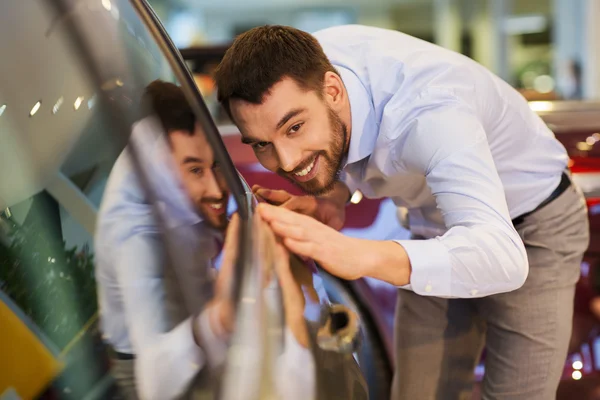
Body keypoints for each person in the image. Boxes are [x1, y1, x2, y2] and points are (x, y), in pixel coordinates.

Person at [213, 25, 590, 399]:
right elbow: (354, 137)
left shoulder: (430, 112)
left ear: (332, 89)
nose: (287, 161)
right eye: (262, 144)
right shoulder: (307, 62)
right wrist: (335, 195)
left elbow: (502, 256)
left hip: (533, 225)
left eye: (294, 128)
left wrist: (357, 254)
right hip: (433, 228)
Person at [95, 80, 317, 400]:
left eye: (216, 164)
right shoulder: (135, 237)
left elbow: (242, 207)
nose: (217, 188)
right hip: (155, 361)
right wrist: (218, 320)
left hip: (202, 309)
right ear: (160, 165)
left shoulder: (187, 139)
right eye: (196, 171)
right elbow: (153, 382)